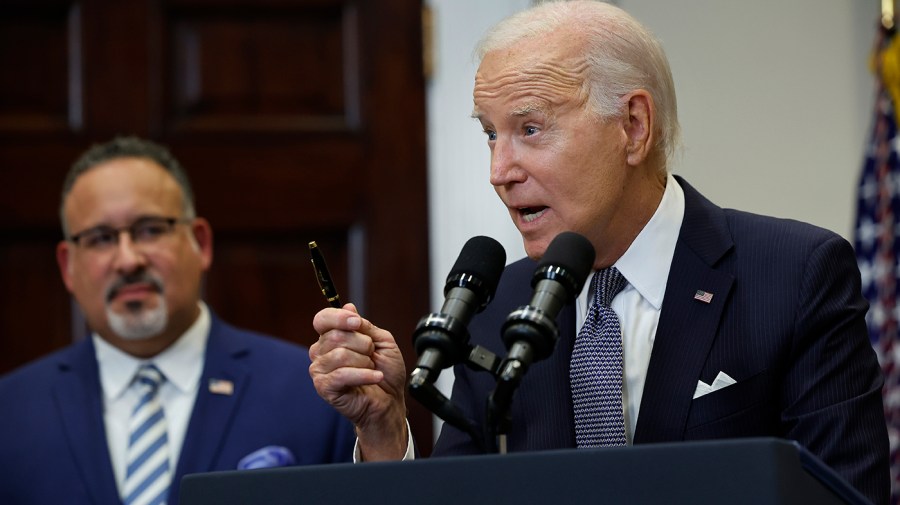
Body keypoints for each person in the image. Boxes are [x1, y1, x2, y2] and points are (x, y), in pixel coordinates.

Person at [308, 1, 890, 503]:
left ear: (633, 126)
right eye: (491, 133)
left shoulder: (793, 275)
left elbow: (845, 499)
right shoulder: (498, 306)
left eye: (530, 129)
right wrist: (386, 433)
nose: (499, 172)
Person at [0, 136, 356, 505]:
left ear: (200, 243)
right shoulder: (9, 413)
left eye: (150, 229)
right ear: (67, 266)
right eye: (100, 238)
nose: (127, 260)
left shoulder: (314, 390)